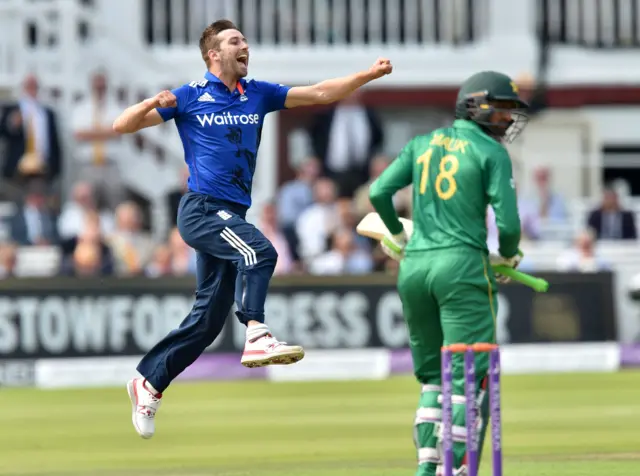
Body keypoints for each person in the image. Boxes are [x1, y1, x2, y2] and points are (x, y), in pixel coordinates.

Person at [112, 19, 392, 440]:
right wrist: (153, 101)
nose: (245, 46)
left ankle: (149, 382)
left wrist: (366, 76)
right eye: (235, 41)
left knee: (207, 320)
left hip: (231, 214)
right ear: (213, 54)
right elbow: (123, 126)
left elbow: (319, 93)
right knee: (259, 252)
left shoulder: (257, 93)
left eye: (244, 40)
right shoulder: (188, 97)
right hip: (201, 209)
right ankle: (257, 331)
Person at [368, 71, 527, 476]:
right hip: (461, 268)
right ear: (478, 106)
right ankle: (453, 470)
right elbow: (508, 227)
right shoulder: (491, 153)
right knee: (468, 381)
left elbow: (378, 193)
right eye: (504, 109)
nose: (509, 119)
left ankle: (427, 469)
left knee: (433, 382)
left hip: (415, 268)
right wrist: (507, 257)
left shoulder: (421, 144)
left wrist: (397, 236)